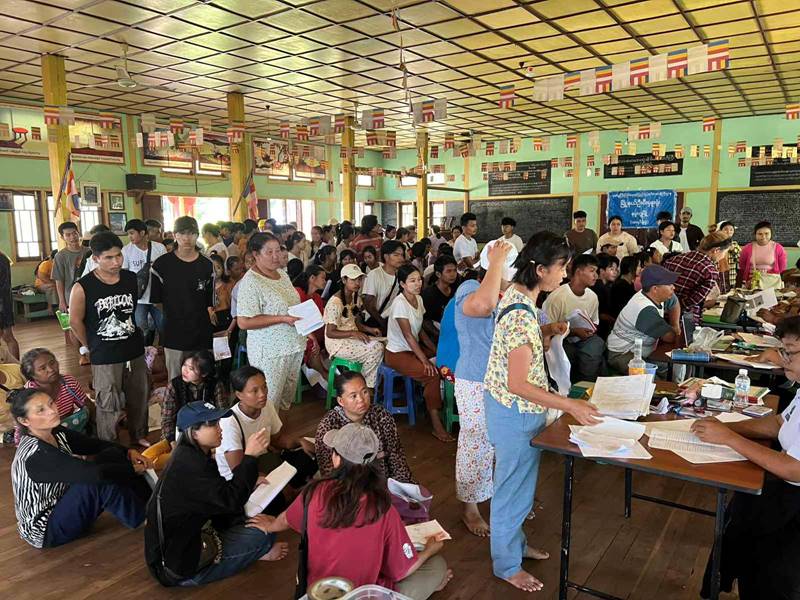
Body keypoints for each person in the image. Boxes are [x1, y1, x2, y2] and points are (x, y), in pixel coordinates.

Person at [483, 231, 600, 593]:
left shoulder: (520, 296)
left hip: (513, 407)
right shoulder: (520, 314)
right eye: (561, 267)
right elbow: (518, 383)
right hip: (514, 410)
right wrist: (570, 404)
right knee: (511, 490)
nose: (565, 274)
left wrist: (547, 330)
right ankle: (506, 565)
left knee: (519, 486)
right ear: (539, 269)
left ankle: (514, 545)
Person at [260, 423, 451, 598]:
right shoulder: (382, 508)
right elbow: (399, 571)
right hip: (362, 595)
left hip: (318, 591)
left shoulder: (314, 492)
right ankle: (431, 585)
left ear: (336, 459)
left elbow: (286, 519)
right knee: (437, 565)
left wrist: (270, 525)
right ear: (374, 463)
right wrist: (430, 550)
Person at [690, 342, 800, 599]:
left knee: (771, 578)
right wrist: (728, 428)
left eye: (790, 352)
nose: (782, 359)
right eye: (782, 351)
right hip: (783, 492)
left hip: (793, 510)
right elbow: (779, 423)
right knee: (742, 525)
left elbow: (794, 469)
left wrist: (730, 438)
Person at [144, 401, 288, 587]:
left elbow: (217, 496)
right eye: (212, 424)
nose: (220, 428)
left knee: (261, 521)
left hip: (185, 540)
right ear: (193, 432)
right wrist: (250, 457)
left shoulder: (189, 455)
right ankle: (252, 554)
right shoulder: (192, 465)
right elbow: (231, 501)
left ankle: (249, 551)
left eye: (218, 422)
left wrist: (249, 481)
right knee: (263, 536)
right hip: (177, 565)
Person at [10, 388, 151, 549]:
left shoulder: (54, 431)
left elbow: (93, 445)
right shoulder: (36, 455)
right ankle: (146, 521)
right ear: (25, 421)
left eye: (51, 403)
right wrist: (132, 469)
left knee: (112, 454)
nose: (52, 411)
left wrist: (128, 452)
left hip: (62, 500)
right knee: (99, 482)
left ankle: (151, 501)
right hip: (45, 529)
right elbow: (95, 474)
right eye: (41, 410)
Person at [451, 240, 516, 537]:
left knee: (502, 442)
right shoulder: (469, 288)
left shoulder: (507, 294)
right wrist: (496, 261)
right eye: (507, 270)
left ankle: (499, 496)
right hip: (475, 379)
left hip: (503, 379)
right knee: (475, 442)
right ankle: (470, 507)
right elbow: (483, 306)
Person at [69, 232, 149, 445]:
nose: (116, 262)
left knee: (139, 394)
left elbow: (131, 312)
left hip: (133, 349)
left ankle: (139, 435)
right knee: (108, 400)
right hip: (104, 353)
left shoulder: (130, 279)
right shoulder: (83, 286)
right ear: (95, 258)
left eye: (118, 255)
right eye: (109, 258)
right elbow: (75, 321)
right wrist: (90, 345)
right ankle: (109, 444)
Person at [216, 367, 316, 501]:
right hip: (240, 476)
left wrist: (300, 441)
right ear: (239, 395)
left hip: (264, 461)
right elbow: (239, 471)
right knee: (276, 497)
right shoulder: (229, 422)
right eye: (255, 391)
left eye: (264, 387)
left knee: (310, 456)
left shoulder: (266, 405)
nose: (262, 394)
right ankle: (291, 493)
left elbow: (277, 439)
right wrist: (275, 482)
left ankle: (292, 491)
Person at [236, 232, 305, 413]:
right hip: (270, 352)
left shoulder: (282, 274)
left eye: (278, 251)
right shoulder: (251, 282)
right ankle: (268, 432)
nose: (276, 256)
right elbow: (244, 322)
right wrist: (281, 318)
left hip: (293, 345)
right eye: (269, 252)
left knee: (286, 400)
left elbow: (292, 306)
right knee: (269, 402)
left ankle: (281, 429)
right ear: (256, 255)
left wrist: (308, 329)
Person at [385, 264, 452, 443]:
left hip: (412, 349)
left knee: (443, 358)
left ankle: (433, 402)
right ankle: (436, 424)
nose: (418, 284)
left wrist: (434, 350)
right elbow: (408, 335)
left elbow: (419, 330)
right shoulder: (399, 304)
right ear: (402, 284)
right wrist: (424, 360)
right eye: (412, 281)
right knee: (432, 374)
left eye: (419, 280)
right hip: (397, 354)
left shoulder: (419, 299)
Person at [315, 370, 413, 482]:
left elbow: (396, 457)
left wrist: (405, 485)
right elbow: (328, 473)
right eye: (353, 396)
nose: (361, 399)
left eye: (364, 392)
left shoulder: (381, 415)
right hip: (348, 486)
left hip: (381, 482)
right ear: (341, 401)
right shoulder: (329, 426)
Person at [150, 216, 214, 381]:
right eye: (182, 233)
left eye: (191, 233)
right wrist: (174, 314)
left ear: (197, 235)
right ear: (175, 235)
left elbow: (209, 301)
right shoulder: (161, 265)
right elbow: (157, 302)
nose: (187, 238)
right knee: (176, 378)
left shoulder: (207, 265)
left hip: (201, 331)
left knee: (201, 377)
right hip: (174, 332)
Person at [606, 265, 681, 374]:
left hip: (643, 352)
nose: (673, 288)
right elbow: (669, 337)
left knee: (672, 369)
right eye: (669, 284)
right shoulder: (644, 309)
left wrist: (675, 325)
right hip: (623, 354)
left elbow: (674, 301)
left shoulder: (653, 295)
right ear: (655, 289)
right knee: (651, 379)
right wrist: (676, 331)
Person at [543, 254, 605, 381]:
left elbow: (594, 322)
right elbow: (546, 329)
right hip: (560, 340)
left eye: (596, 271)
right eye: (592, 271)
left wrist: (589, 330)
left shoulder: (593, 297)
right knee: (567, 351)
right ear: (578, 272)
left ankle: (587, 384)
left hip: (583, 338)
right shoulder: (558, 297)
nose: (596, 276)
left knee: (596, 344)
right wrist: (573, 331)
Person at [324, 264, 384, 389]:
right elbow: (330, 332)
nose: (357, 283)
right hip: (338, 343)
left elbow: (355, 322)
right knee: (377, 349)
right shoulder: (335, 303)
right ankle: (364, 386)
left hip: (351, 338)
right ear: (344, 280)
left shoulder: (354, 297)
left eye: (359, 279)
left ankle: (366, 383)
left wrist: (369, 329)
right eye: (353, 279)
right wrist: (353, 333)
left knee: (385, 342)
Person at [158, 350, 227, 449]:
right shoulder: (174, 385)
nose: (185, 370)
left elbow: (222, 413)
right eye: (184, 365)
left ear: (204, 373)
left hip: (207, 433)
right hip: (180, 433)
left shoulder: (215, 385)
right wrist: (173, 442)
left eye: (191, 368)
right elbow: (167, 419)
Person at [20, 348, 90, 441]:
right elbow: (26, 429)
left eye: (52, 363)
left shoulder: (69, 382)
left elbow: (86, 404)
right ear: (32, 376)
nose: (51, 369)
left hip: (71, 429)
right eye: (42, 368)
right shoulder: (29, 395)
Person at [664, 232, 731, 324]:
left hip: (662, 314)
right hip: (684, 320)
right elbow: (692, 301)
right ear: (716, 250)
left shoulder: (674, 259)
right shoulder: (710, 271)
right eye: (725, 253)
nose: (723, 257)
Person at [122, 218, 167, 345]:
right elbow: (125, 274)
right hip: (139, 298)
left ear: (142, 233)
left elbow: (166, 271)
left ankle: (162, 350)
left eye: (132, 233)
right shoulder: (126, 250)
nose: (130, 237)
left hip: (157, 297)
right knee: (141, 328)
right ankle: (145, 351)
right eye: (128, 234)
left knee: (163, 326)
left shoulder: (159, 248)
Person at [52, 221, 88, 363]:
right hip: (70, 295)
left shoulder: (89, 251)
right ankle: (81, 355)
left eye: (74, 233)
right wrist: (61, 300)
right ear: (62, 237)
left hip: (89, 293)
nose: (72, 237)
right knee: (74, 325)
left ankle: (90, 350)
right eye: (68, 235)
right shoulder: (60, 256)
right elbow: (59, 280)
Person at [362, 239, 406, 334]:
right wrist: (383, 323)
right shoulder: (374, 275)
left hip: (394, 322)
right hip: (376, 323)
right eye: (396, 255)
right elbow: (368, 304)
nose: (401, 258)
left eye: (402, 255)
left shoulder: (403, 275)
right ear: (386, 256)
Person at [293, 265, 328, 378]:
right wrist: (313, 339)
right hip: (299, 333)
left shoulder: (317, 298)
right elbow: (297, 320)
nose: (325, 281)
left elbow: (320, 320)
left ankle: (325, 375)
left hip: (315, 335)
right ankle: (323, 374)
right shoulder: (298, 293)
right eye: (323, 278)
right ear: (312, 278)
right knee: (312, 345)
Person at [421, 255, 458, 344]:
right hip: (437, 336)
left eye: (455, 270)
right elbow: (424, 321)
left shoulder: (456, 288)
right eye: (448, 271)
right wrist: (440, 335)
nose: (453, 274)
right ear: (438, 274)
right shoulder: (429, 294)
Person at [738, 221, 787, 288]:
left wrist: (766, 274)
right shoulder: (747, 248)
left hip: (771, 282)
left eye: (766, 233)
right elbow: (742, 265)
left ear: (771, 234)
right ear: (755, 234)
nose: (763, 236)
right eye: (760, 234)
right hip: (752, 283)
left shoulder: (778, 248)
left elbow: (782, 267)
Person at [592, 253, 620, 339]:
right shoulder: (598, 287)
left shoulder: (607, 286)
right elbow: (600, 313)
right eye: (611, 269)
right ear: (601, 271)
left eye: (616, 269)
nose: (615, 272)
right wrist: (616, 321)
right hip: (598, 330)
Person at [0, 248, 18, 361]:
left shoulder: (1, 259)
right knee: (7, 336)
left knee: (8, 336)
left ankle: (16, 368)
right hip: (3, 302)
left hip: (2, 303)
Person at [210, 254, 233, 333]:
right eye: (212, 268)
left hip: (227, 319)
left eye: (218, 267)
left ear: (223, 268)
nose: (215, 271)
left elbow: (234, 305)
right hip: (210, 320)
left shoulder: (229, 284)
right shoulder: (204, 286)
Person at [718, 221, 741, 292]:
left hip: (730, 273)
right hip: (719, 271)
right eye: (726, 229)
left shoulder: (734, 244)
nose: (728, 231)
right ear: (720, 231)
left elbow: (739, 260)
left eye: (731, 229)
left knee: (729, 292)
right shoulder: (716, 244)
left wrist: (733, 250)